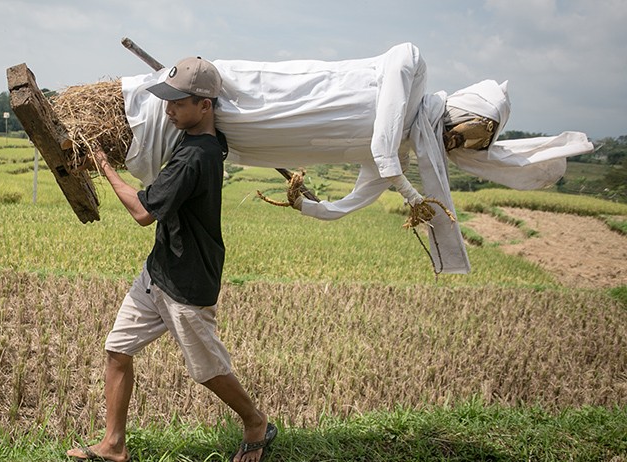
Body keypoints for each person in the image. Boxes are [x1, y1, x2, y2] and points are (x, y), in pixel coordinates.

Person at [120, 43, 593, 275]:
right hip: (275, 94)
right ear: (453, 112)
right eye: (454, 133)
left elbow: (343, 207)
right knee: (162, 101)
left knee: (174, 130)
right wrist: (406, 189)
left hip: (249, 137)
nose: (447, 144)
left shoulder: (392, 153)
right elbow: (386, 142)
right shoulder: (410, 68)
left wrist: (302, 202)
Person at [66, 57, 276, 462]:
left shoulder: (196, 156)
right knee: (116, 350)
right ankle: (113, 445)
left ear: (205, 107)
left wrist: (106, 167)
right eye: (168, 102)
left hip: (187, 281)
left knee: (209, 371)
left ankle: (256, 424)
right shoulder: (203, 139)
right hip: (158, 269)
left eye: (178, 103)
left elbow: (143, 213)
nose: (167, 110)